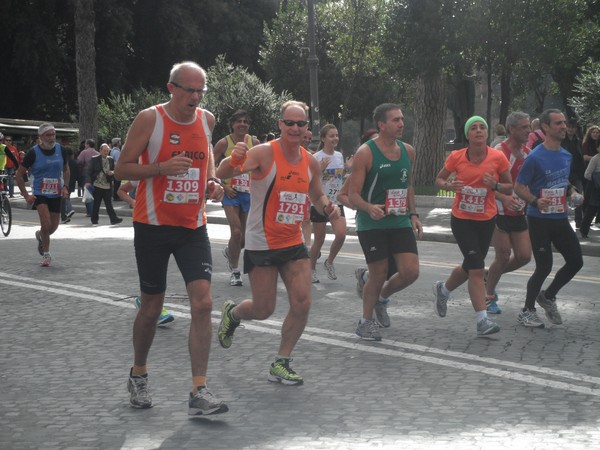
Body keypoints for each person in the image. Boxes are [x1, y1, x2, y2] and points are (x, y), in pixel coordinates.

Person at [114, 61, 227, 415]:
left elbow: (206, 156)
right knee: (151, 307)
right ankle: (139, 373)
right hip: (153, 225)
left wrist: (214, 181)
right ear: (171, 88)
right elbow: (122, 169)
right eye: (189, 90)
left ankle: (199, 390)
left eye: (200, 91)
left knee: (204, 303)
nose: (195, 97)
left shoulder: (206, 120)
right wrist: (161, 169)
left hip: (193, 226)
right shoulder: (151, 119)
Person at [215, 100, 339, 385]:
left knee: (302, 301)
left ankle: (281, 361)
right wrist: (234, 157)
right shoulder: (263, 153)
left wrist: (327, 206)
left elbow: (317, 195)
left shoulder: (309, 161)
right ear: (280, 124)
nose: (295, 128)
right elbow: (223, 173)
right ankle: (233, 314)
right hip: (261, 242)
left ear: (307, 127)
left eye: (301, 123)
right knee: (263, 309)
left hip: (293, 242)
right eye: (290, 123)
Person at [348, 104, 423, 340]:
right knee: (378, 272)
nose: (401, 124)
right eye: (395, 120)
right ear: (381, 125)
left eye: (402, 119)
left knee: (411, 272)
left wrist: (413, 214)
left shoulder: (408, 151)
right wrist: (369, 208)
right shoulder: (366, 153)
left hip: (399, 219)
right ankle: (365, 321)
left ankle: (381, 298)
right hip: (372, 223)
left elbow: (408, 185)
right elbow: (352, 194)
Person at [433, 115, 512, 336]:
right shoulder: (456, 157)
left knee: (470, 265)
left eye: (482, 128)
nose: (478, 131)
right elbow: (438, 180)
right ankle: (482, 320)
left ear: (487, 134)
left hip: (486, 220)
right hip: (462, 219)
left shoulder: (498, 157)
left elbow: (508, 186)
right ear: (467, 135)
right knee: (477, 268)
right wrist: (450, 185)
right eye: (474, 128)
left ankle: (443, 289)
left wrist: (494, 184)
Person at [514, 109, 584, 327]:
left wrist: (572, 193)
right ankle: (527, 311)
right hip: (539, 219)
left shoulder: (566, 155)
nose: (564, 126)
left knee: (576, 261)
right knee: (544, 266)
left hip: (560, 217)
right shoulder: (535, 157)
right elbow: (518, 187)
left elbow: (564, 182)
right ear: (545, 127)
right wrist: (535, 201)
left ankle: (548, 296)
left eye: (564, 123)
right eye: (558, 123)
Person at [484, 112, 532, 316]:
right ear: (511, 129)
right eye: (524, 127)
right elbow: (486, 183)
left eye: (529, 127)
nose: (528, 131)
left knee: (523, 257)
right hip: (498, 211)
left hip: (519, 212)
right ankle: (488, 297)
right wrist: (504, 198)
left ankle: (489, 275)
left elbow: (530, 182)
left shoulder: (528, 153)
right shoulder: (498, 152)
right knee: (503, 256)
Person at [213, 110, 260, 286]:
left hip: (248, 193)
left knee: (245, 237)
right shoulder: (224, 143)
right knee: (237, 231)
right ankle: (235, 270)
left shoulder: (254, 142)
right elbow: (211, 167)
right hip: (230, 193)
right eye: (239, 121)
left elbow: (260, 166)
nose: (242, 124)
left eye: (245, 121)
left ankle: (230, 251)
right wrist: (223, 186)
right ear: (232, 124)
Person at [15, 123, 70, 267]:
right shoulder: (33, 153)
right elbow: (19, 175)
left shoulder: (61, 150)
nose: (52, 138)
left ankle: (40, 235)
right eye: (48, 135)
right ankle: (46, 254)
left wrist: (65, 186)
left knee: (53, 227)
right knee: (45, 224)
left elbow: (66, 169)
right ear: (40, 137)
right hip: (40, 193)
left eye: (54, 135)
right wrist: (26, 195)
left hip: (56, 192)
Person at [309, 124, 347, 283]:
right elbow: (310, 181)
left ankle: (329, 261)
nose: (335, 138)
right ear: (323, 138)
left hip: (336, 202)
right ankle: (311, 269)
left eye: (336, 135)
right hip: (319, 202)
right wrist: (320, 169)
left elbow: (339, 178)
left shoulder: (339, 156)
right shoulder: (316, 157)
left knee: (341, 234)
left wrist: (348, 168)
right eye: (331, 136)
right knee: (319, 239)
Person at [87, 143, 122, 225]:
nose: (106, 152)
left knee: (109, 204)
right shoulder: (94, 159)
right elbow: (89, 171)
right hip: (97, 185)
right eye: (104, 151)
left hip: (107, 185)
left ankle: (114, 219)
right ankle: (94, 219)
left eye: (107, 151)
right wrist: (88, 182)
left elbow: (114, 170)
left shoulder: (111, 159)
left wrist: (112, 172)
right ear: (100, 151)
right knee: (97, 204)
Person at [561, 119, 585, 228]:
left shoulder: (578, 141)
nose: (570, 129)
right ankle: (563, 220)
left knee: (578, 195)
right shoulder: (561, 140)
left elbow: (581, 158)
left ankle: (579, 220)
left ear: (575, 129)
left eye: (573, 127)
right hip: (563, 173)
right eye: (569, 127)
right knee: (563, 196)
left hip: (576, 173)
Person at [580, 151, 600, 238]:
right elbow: (587, 174)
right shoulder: (595, 159)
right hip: (596, 188)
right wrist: (597, 179)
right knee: (592, 210)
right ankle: (584, 230)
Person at [77, 139, 99, 217]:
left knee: (87, 192)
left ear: (88, 144)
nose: (85, 145)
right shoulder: (97, 153)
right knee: (94, 192)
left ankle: (90, 212)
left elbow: (79, 161)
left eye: (86, 144)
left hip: (86, 174)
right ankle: (95, 211)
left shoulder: (84, 152)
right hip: (96, 175)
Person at [60, 147, 77, 224]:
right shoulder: (73, 161)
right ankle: (65, 214)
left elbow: (66, 172)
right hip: (70, 182)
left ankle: (68, 211)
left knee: (64, 198)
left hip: (64, 182)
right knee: (65, 198)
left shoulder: (64, 161)